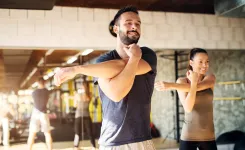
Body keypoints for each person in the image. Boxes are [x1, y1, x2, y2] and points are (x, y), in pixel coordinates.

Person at [54, 6, 157, 150]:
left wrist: (78, 69)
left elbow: (122, 65)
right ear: (115, 29)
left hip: (142, 140)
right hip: (111, 142)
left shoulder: (147, 55)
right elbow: (116, 94)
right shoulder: (103, 61)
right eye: (128, 22)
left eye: (138, 23)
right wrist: (134, 59)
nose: (134, 26)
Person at [155, 48, 217, 150]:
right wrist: (192, 82)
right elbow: (188, 108)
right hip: (188, 137)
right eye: (200, 62)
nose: (205, 65)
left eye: (207, 62)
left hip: (208, 137)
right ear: (191, 63)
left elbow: (198, 87)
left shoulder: (210, 78)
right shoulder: (181, 81)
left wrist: (170, 85)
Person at [27, 78, 53, 150]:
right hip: (44, 113)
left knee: (32, 133)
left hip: (35, 113)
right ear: (44, 83)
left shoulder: (34, 92)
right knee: (47, 133)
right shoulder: (47, 92)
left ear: (38, 83)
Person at [74, 82, 96, 149]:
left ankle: (76, 146)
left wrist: (76, 96)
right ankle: (93, 147)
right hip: (83, 115)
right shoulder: (89, 94)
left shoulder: (81, 95)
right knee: (86, 132)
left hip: (81, 115)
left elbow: (75, 104)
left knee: (79, 132)